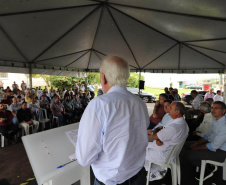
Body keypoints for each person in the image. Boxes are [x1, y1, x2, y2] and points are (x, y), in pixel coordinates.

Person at [76, 56, 149, 185]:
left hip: (112, 181)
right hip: (138, 176)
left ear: (103, 77)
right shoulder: (140, 102)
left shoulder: (99, 104)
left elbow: (85, 159)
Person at [145, 102, 189, 181]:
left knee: (137, 151)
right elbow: (161, 130)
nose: (168, 109)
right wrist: (157, 135)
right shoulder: (182, 123)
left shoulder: (174, 126)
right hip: (171, 152)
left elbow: (155, 136)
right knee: (142, 146)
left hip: (164, 155)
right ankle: (155, 171)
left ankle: (152, 172)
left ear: (177, 112)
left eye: (170, 108)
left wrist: (156, 134)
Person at [184, 101, 226, 180]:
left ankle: (208, 169)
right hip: (213, 146)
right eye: (212, 107)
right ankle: (202, 165)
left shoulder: (224, 125)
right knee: (185, 145)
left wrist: (195, 147)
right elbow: (207, 136)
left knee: (188, 154)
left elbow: (214, 146)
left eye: (216, 108)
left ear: (224, 111)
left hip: (221, 152)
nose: (213, 110)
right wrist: (195, 144)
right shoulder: (216, 120)